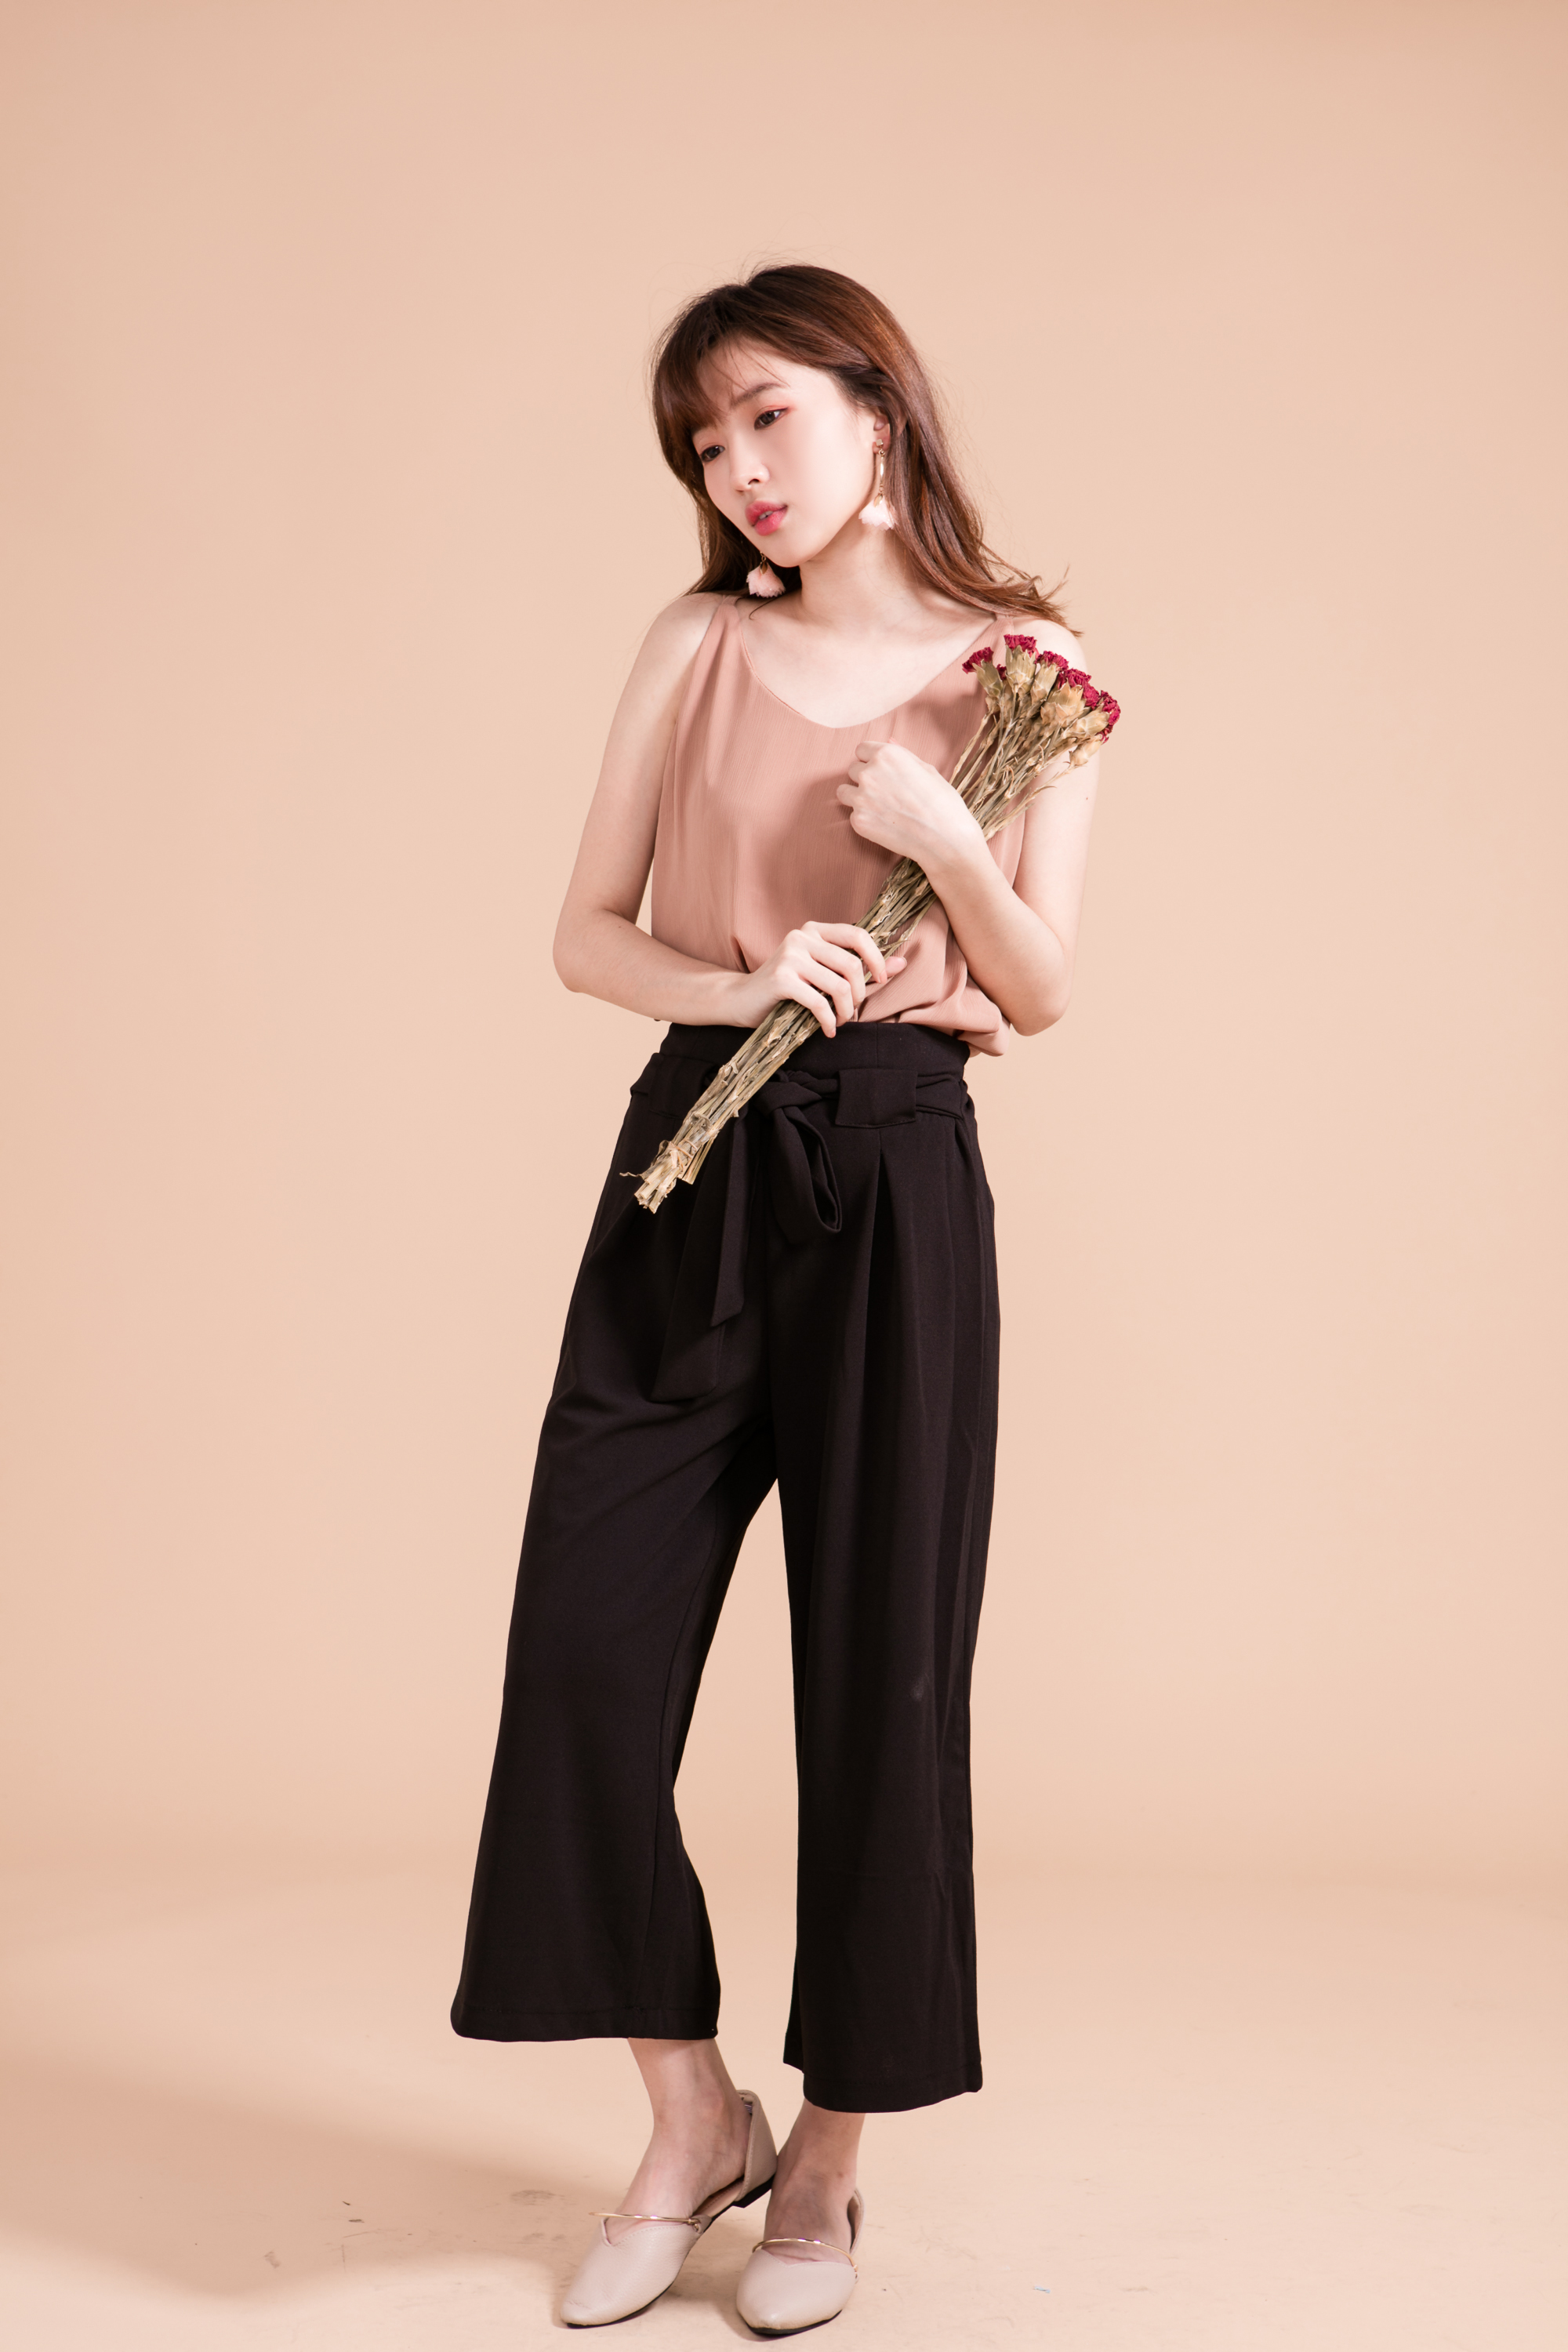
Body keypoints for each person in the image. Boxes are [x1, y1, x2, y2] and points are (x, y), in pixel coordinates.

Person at [450, 262, 1104, 2334]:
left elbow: (1041, 985)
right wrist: (744, 986)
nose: (738, 469)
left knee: (885, 1684)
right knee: (581, 1653)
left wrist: (948, 843)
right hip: (695, 1158)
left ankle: (826, 2160)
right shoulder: (697, 643)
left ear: (874, 414)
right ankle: (689, 2118)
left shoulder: (1033, 674)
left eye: (767, 418)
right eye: (705, 442)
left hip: (899, 1168)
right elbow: (586, 933)